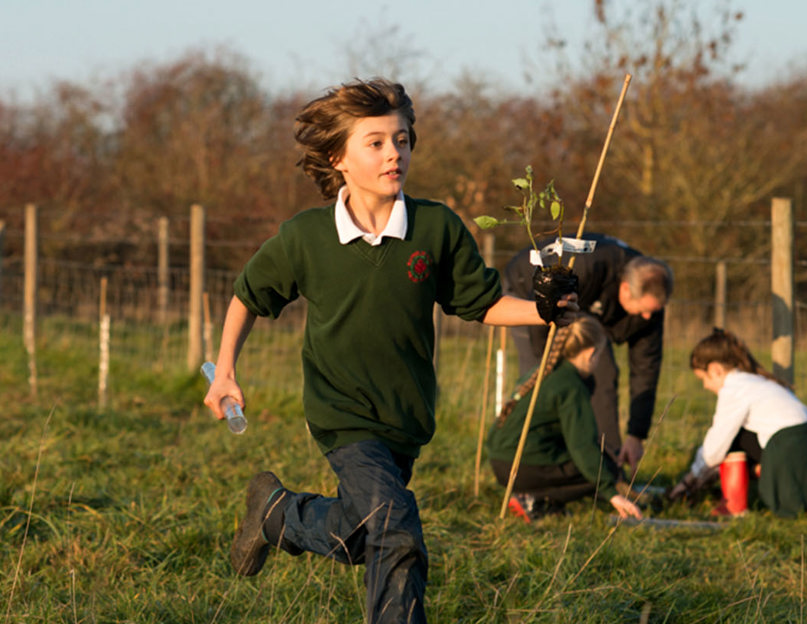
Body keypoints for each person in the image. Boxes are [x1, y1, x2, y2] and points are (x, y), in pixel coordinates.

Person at [203, 78, 576, 624]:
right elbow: (246, 296)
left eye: (401, 140)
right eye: (374, 142)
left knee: (364, 533)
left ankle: (278, 515)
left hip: (406, 415)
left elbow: (482, 302)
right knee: (396, 531)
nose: (393, 154)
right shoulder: (306, 237)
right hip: (343, 414)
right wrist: (225, 371)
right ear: (339, 158)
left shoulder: (436, 227)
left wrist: (543, 309)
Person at [504, 233, 673, 476]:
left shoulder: (652, 296)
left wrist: (637, 434)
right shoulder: (589, 268)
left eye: (653, 312)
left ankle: (609, 466)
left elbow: (646, 367)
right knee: (543, 385)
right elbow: (542, 322)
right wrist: (551, 369)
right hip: (533, 294)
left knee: (604, 374)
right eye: (645, 311)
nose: (648, 318)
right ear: (625, 290)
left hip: (586, 310)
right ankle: (534, 469)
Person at [486, 314, 643, 522]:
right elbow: (582, 446)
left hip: (501, 460)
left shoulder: (547, 370)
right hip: (519, 467)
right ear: (590, 354)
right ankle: (533, 499)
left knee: (591, 462)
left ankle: (538, 497)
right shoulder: (571, 386)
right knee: (602, 465)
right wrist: (610, 491)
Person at [668, 328, 807, 518]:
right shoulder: (759, 382)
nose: (705, 386)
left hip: (785, 450)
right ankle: (764, 484)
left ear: (715, 369)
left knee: (733, 438)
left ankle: (734, 508)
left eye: (703, 379)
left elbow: (713, 451)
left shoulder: (735, 389)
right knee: (742, 436)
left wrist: (689, 481)